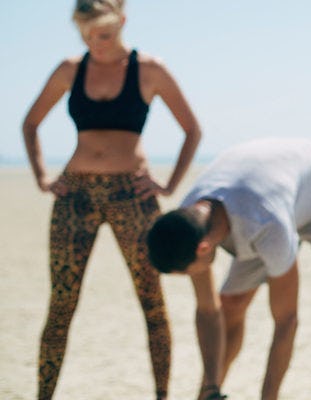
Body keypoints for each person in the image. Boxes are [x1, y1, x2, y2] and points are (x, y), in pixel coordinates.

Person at [21, 0, 202, 398]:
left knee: (151, 302)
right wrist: (43, 177)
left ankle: (161, 395)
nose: (94, 43)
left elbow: (192, 129)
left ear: (121, 21)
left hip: (131, 196)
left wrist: (169, 185)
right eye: (85, 35)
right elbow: (31, 123)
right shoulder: (71, 69)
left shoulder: (149, 70)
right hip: (75, 196)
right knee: (61, 305)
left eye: (101, 34)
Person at [146, 138, 311, 400]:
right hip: (267, 198)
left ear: (203, 249)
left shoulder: (266, 223)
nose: (192, 277)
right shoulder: (189, 221)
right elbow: (209, 310)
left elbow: (286, 321)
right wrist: (209, 388)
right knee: (230, 304)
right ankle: (209, 393)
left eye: (187, 272)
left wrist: (268, 396)